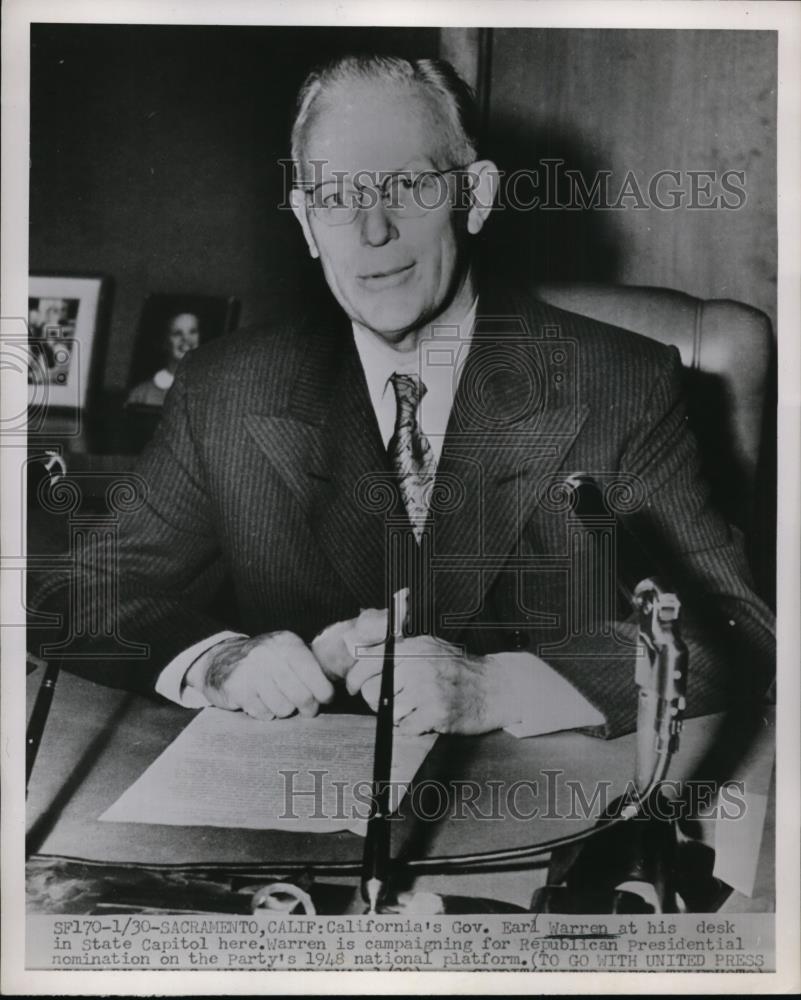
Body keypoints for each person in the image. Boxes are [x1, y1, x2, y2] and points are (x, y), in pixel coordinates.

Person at [30, 54, 774, 740]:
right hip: (294, 830)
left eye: (407, 186)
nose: (372, 230)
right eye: (336, 195)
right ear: (306, 220)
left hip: (545, 818)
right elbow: (77, 595)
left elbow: (733, 632)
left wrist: (498, 690)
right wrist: (218, 660)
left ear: (474, 197)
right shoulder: (226, 389)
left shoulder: (621, 383)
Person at [125, 310, 202, 407]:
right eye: (177, 333)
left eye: (192, 332)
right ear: (164, 342)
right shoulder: (141, 394)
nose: (186, 338)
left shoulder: (211, 389)